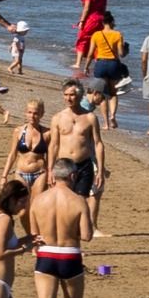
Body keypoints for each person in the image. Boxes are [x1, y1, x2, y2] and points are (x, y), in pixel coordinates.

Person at [31, 160, 93, 298]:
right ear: (73, 176)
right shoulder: (78, 201)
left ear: (53, 176)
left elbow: (34, 234)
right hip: (69, 255)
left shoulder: (38, 200)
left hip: (46, 255)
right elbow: (86, 236)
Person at [45, 81, 107, 231]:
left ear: (79, 96)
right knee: (63, 201)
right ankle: (64, 233)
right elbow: (53, 145)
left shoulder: (90, 118)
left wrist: (100, 170)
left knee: (81, 201)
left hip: (84, 164)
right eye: (66, 95)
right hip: (64, 165)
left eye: (72, 95)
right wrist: (50, 170)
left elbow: (98, 144)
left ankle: (77, 235)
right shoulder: (57, 118)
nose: (68, 98)